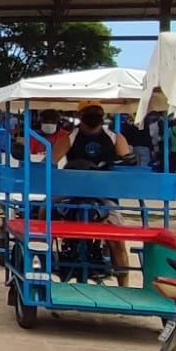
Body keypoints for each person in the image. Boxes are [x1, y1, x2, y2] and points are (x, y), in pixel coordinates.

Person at [53, 104, 135, 286]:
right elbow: (50, 161)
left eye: (97, 113)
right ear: (80, 115)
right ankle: (41, 268)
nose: (93, 116)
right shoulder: (69, 138)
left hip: (104, 196)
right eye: (89, 113)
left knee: (118, 241)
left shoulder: (115, 138)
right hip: (72, 193)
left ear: (103, 115)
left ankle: (125, 286)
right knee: (43, 214)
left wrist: (128, 161)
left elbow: (126, 163)